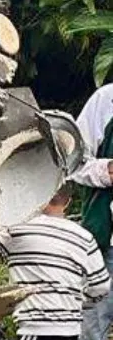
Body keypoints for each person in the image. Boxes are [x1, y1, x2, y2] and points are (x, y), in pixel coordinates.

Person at [0, 182, 109, 339]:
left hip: (36, 329)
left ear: (37, 196)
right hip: (71, 330)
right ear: (68, 202)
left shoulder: (16, 230)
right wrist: (77, 304)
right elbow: (101, 287)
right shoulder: (85, 237)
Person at [73, 84, 113, 339]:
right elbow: (72, 159)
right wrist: (107, 170)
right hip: (106, 242)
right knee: (92, 328)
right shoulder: (107, 99)